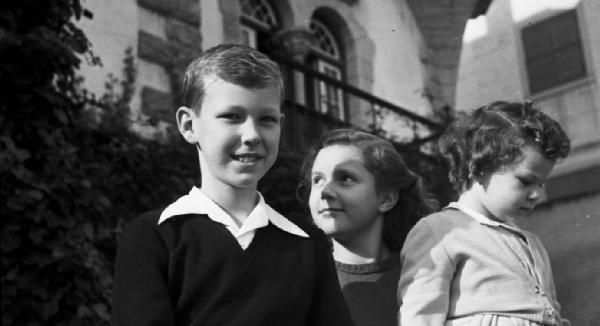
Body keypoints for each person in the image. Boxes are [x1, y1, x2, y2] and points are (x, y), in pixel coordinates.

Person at [111, 44, 355, 326]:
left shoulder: (307, 244)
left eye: (266, 120)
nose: (251, 135)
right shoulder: (154, 237)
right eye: (232, 117)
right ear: (189, 126)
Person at [398, 101, 571, 326]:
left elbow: (551, 312)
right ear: (478, 168)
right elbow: (420, 317)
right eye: (526, 181)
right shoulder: (440, 231)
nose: (536, 194)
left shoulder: (532, 244)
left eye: (540, 184)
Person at [299, 128, 433, 326]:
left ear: (386, 198)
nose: (325, 191)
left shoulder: (425, 278)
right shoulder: (296, 280)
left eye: (345, 178)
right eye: (317, 180)